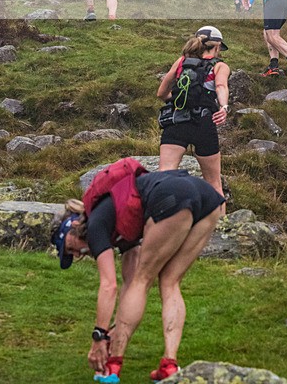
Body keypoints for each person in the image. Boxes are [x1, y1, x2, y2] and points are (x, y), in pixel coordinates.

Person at [52, 162, 224, 382]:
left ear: (71, 226)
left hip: (170, 198)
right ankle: (169, 366)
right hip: (207, 198)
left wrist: (98, 338)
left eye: (69, 248)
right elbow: (128, 281)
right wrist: (115, 330)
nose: (76, 254)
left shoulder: (95, 226)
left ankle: (114, 367)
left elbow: (109, 286)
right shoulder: (118, 218)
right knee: (169, 282)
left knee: (144, 279)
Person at [156, 26, 230, 209]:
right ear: (218, 46)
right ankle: (221, 230)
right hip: (204, 123)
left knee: (164, 175)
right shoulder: (219, 65)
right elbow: (220, 86)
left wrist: (178, 99)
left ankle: (161, 219)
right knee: (213, 182)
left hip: (176, 121)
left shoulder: (182, 62)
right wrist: (224, 107)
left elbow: (161, 93)